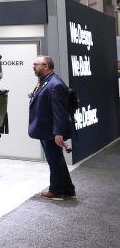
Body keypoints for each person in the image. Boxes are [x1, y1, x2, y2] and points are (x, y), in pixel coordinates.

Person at [28, 55, 76, 200]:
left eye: (36, 64)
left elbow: (59, 111)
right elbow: (46, 98)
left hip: (51, 131)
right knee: (57, 159)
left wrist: (58, 133)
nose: (33, 67)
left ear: (46, 66)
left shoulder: (55, 84)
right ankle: (68, 189)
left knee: (54, 160)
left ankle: (56, 191)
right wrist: (33, 94)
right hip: (46, 129)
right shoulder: (45, 81)